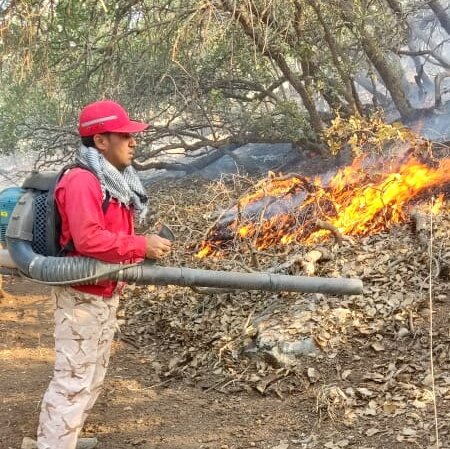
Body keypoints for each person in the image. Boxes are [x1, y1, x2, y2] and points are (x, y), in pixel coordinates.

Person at [30, 100, 172, 449]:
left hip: (103, 294)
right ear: (100, 140)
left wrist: (137, 247)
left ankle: (67, 438)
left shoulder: (114, 182)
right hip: (81, 298)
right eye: (124, 134)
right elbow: (89, 238)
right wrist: (141, 246)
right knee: (72, 382)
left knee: (91, 378)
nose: (133, 141)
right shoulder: (82, 181)